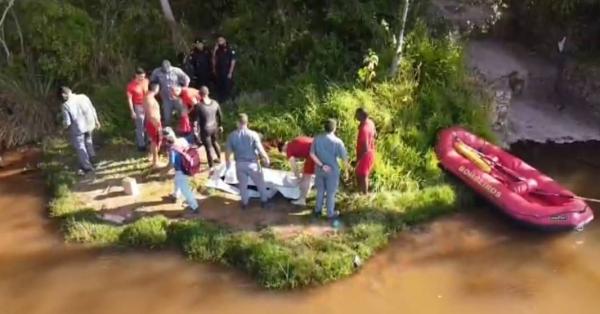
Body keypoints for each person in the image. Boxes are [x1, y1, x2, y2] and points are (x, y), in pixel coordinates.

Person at [225, 113, 270, 209]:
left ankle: (245, 203)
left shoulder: (231, 136)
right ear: (247, 122)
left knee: (242, 185)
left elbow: (228, 153)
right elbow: (260, 150)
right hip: (253, 164)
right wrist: (266, 158)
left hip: (240, 165)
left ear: (237, 123)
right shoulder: (253, 134)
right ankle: (264, 201)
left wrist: (228, 164)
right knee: (260, 184)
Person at [310, 119, 349, 219]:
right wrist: (346, 171)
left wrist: (322, 165)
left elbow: (312, 154)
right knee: (331, 193)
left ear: (325, 127)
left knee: (320, 191)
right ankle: (330, 214)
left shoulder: (317, 138)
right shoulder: (338, 142)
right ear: (334, 128)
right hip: (332, 171)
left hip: (319, 169)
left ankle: (317, 211)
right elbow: (344, 159)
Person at [60, 86, 100, 175]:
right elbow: (92, 108)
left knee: (81, 147)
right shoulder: (83, 97)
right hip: (90, 124)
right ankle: (93, 160)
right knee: (89, 142)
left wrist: (63, 129)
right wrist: (97, 121)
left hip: (78, 129)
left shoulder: (66, 105)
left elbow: (67, 122)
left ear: (64, 95)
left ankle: (87, 167)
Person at [163, 127, 199, 212]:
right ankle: (175, 195)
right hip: (188, 166)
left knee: (185, 189)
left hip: (181, 170)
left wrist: (163, 171)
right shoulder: (182, 140)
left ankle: (194, 206)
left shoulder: (172, 149)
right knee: (176, 181)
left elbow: (171, 164)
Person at [150, 60, 190, 126]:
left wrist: (184, 88)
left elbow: (187, 78)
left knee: (184, 114)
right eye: (164, 70)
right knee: (167, 117)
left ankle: (185, 129)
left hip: (177, 97)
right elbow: (152, 81)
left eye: (167, 70)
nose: (165, 72)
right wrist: (155, 87)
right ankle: (168, 131)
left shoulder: (176, 70)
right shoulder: (156, 72)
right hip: (166, 98)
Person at [278, 136, 315, 206]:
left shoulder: (289, 148)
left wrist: (298, 177)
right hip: (320, 147)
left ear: (283, 147)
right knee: (306, 175)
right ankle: (306, 193)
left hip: (314, 153)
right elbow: (305, 148)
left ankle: (302, 200)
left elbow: (294, 166)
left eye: (283, 151)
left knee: (307, 177)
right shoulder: (295, 140)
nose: (285, 152)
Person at [194, 86, 223, 171]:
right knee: (215, 142)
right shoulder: (215, 103)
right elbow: (220, 115)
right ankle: (219, 158)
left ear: (200, 94)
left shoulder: (199, 106)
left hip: (205, 129)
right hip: (214, 127)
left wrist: (196, 130)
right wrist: (220, 125)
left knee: (208, 148)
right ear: (208, 93)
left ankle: (211, 167)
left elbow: (196, 120)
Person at [126, 67, 150, 151]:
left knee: (148, 124)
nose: (142, 78)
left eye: (143, 76)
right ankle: (141, 145)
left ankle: (148, 141)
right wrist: (132, 111)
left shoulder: (146, 81)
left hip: (147, 104)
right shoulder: (131, 86)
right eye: (141, 77)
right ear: (136, 75)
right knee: (140, 126)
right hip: (138, 106)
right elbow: (129, 99)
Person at [355, 108, 377, 194]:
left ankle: (365, 195)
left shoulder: (364, 129)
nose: (355, 116)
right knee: (358, 173)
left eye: (357, 115)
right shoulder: (370, 122)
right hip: (371, 152)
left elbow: (364, 145)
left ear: (361, 116)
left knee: (362, 174)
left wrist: (359, 159)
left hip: (365, 153)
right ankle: (360, 192)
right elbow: (375, 134)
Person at [212, 36, 236, 104]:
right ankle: (222, 102)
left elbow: (233, 61)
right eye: (218, 40)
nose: (220, 42)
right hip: (219, 71)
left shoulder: (229, 49)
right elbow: (214, 60)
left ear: (225, 40)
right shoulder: (217, 50)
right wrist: (214, 50)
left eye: (221, 40)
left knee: (228, 87)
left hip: (227, 71)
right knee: (220, 87)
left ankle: (230, 102)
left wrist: (230, 72)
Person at [144, 84, 163, 168]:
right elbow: (151, 115)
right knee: (156, 141)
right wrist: (157, 126)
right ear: (156, 89)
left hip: (152, 122)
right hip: (154, 123)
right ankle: (155, 162)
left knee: (153, 141)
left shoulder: (147, 97)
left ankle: (152, 156)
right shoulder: (150, 99)